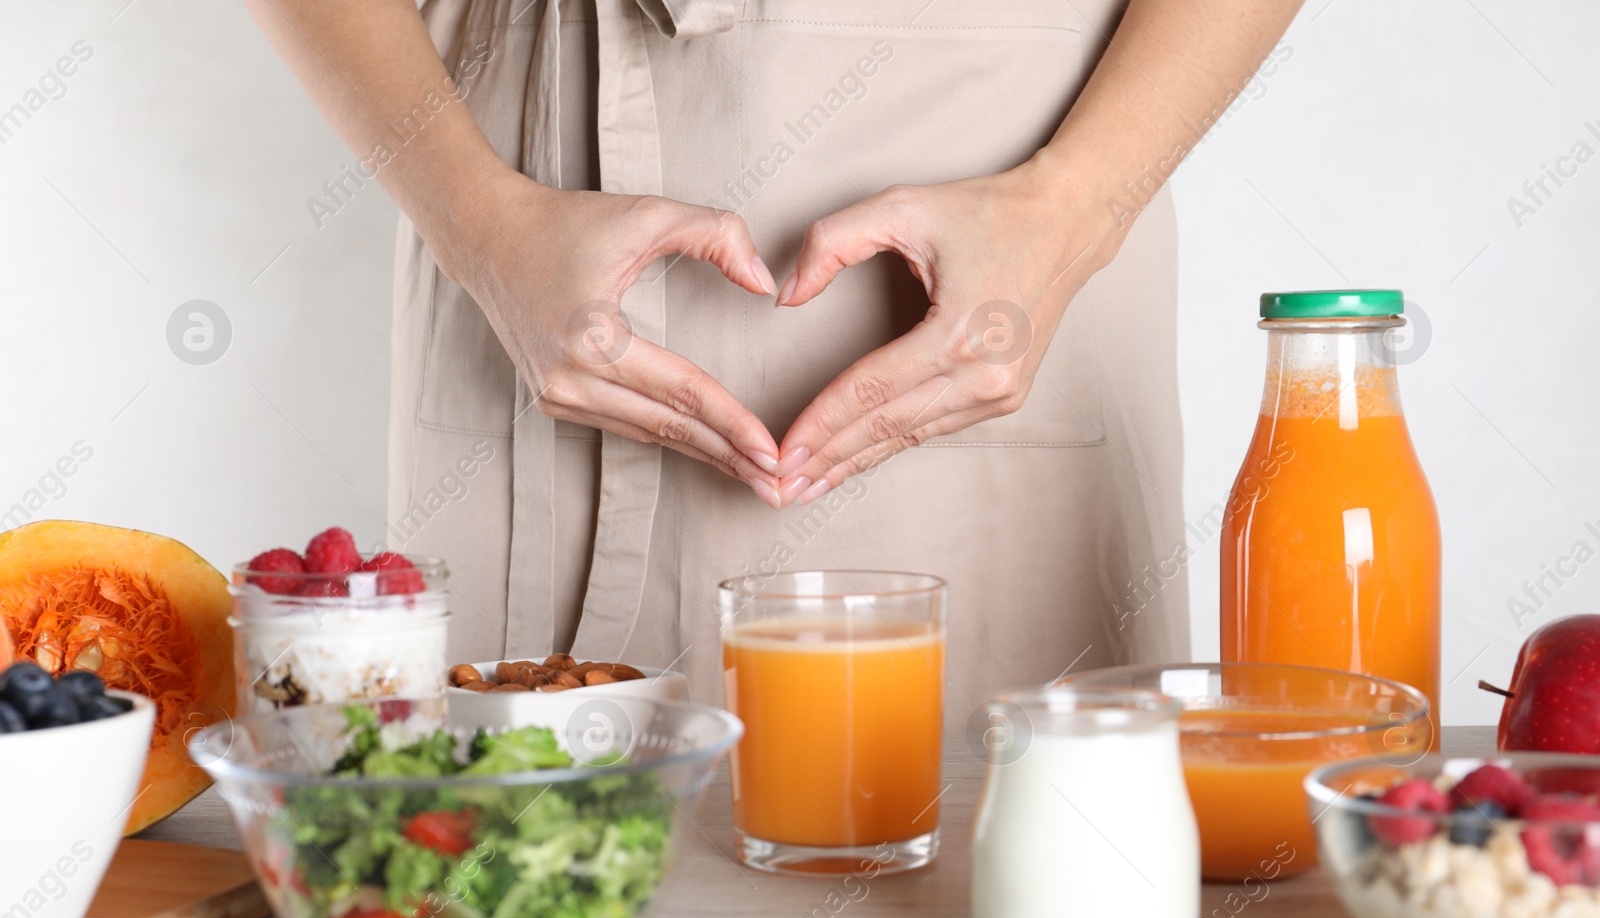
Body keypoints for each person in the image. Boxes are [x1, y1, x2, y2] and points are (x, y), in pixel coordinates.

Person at [249, 0, 1303, 716]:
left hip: (997, 190)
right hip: (516, 201)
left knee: (1006, 906)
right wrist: (478, 222)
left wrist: (1075, 201)